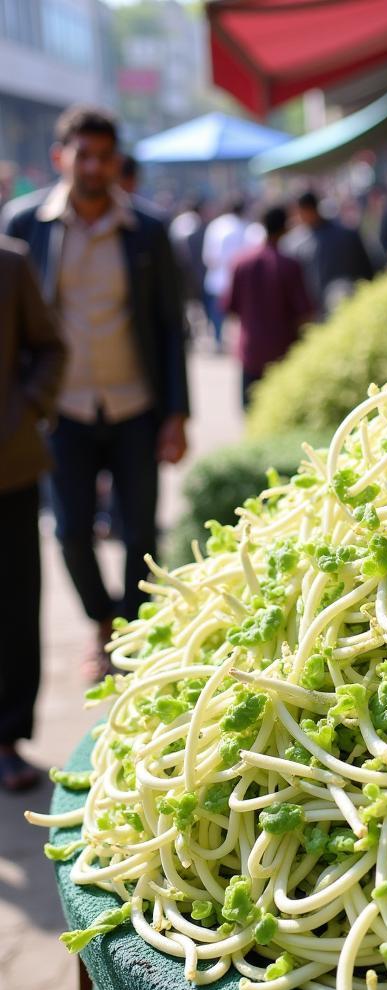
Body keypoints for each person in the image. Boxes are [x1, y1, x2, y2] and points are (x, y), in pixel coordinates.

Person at [1, 105, 189, 681]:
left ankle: (132, 634)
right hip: (60, 412)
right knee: (71, 532)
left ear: (115, 161)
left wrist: (178, 413)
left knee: (140, 531)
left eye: (105, 155)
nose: (94, 165)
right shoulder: (23, 226)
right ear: (61, 158)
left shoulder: (149, 232)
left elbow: (168, 327)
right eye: (83, 154)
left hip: (135, 403)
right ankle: (102, 622)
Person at [0, 238, 66, 790]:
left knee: (16, 606)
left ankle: (7, 737)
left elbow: (51, 346)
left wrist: (26, 407)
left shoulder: (9, 263)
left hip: (9, 467)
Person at [226, 205, 313, 407]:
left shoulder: (241, 261)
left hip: (251, 350)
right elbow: (304, 312)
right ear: (286, 228)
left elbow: (230, 307)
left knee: (250, 411)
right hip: (282, 350)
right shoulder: (289, 265)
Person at [283, 190, 373, 318]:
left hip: (349, 300)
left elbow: (366, 268)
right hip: (319, 309)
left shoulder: (345, 234)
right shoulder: (296, 243)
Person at [201, 195, 248, 351]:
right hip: (237, 278)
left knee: (217, 314)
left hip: (217, 277)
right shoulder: (243, 226)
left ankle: (218, 340)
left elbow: (208, 256)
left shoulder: (215, 225)